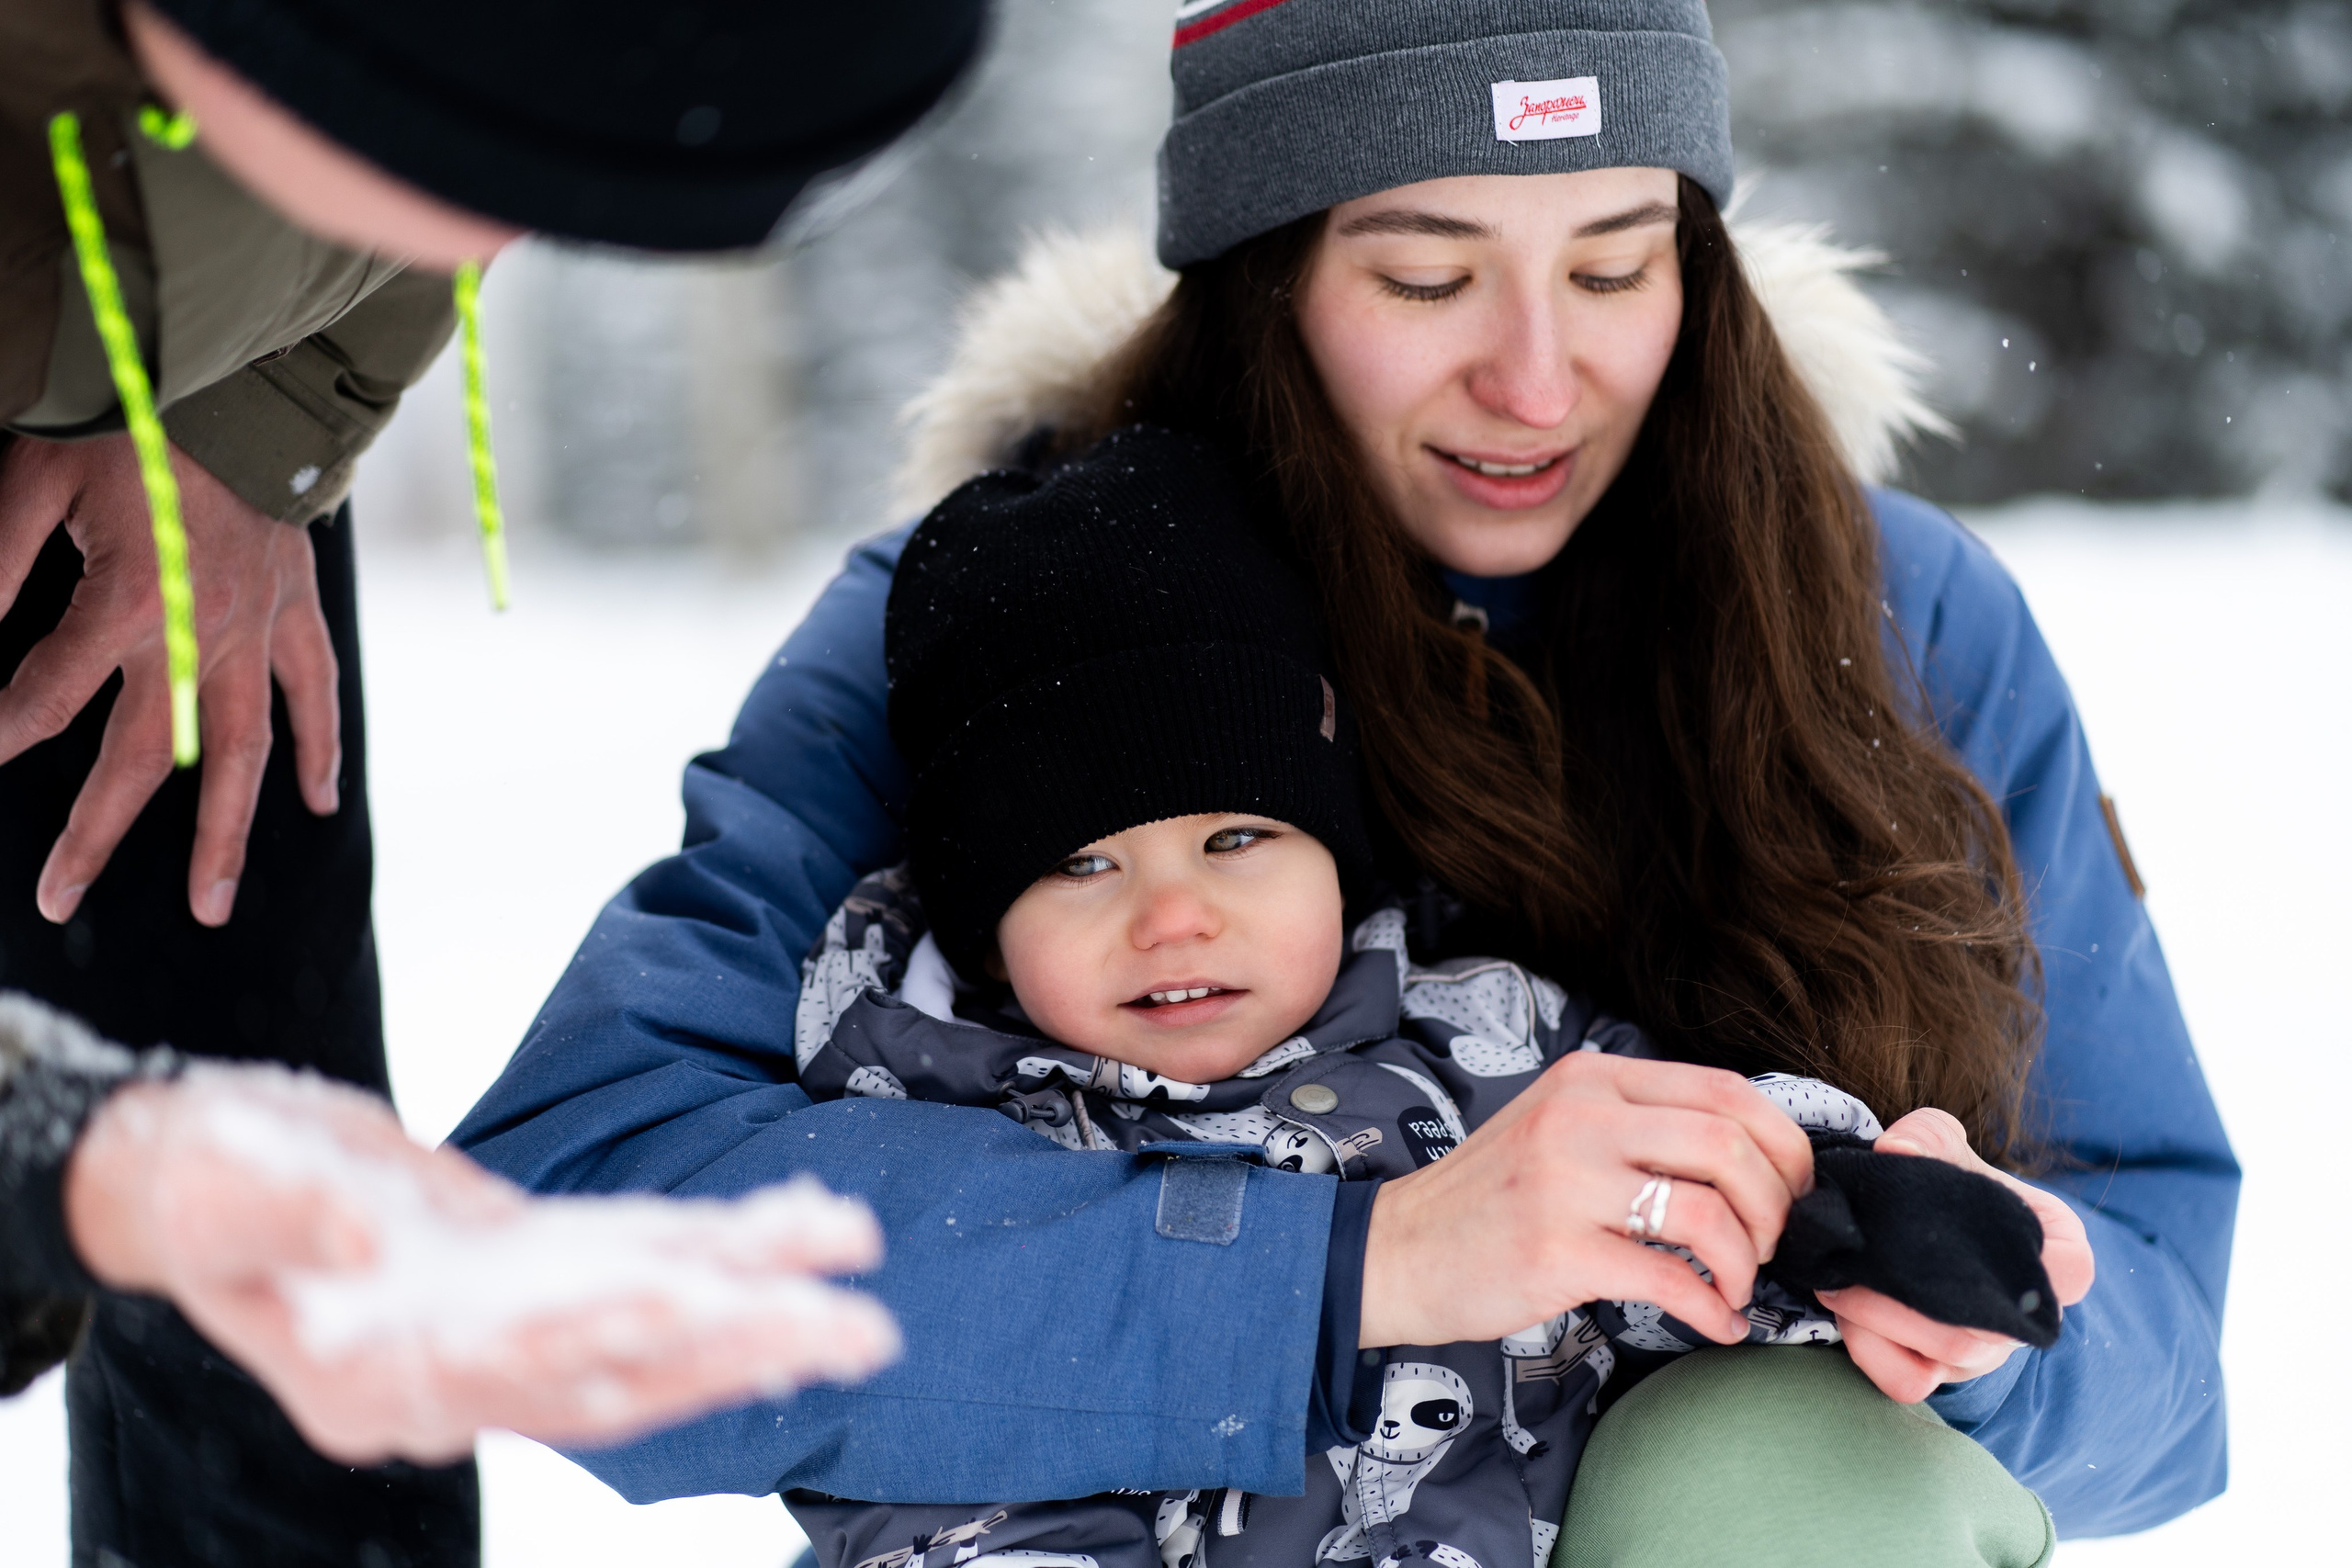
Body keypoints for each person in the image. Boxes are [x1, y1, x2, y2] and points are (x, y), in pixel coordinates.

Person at [454, 0, 2235, 1558]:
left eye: (1613, 265)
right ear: (1262, 277)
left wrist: (2000, 1319)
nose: (1536, 378)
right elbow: (553, 1250)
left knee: (1785, 1484)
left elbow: (2160, 1309)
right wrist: (1346, 1262)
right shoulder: (1016, 624)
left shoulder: (1895, 615)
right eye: (1424, 276)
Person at [0, 1, 989, 1563]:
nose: (517, 231)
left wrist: (251, 414)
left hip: (171, 420)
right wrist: (92, 1165)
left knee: (286, 1285)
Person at [783, 423, 2084, 1568]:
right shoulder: (951, 1153)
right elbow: (946, 1496)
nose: (1173, 913)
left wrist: (1854, 1220)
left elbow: (1674, 1192)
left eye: (1238, 839)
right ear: (983, 926)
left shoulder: (1481, 1045)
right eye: (1081, 863)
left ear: (1335, 858)